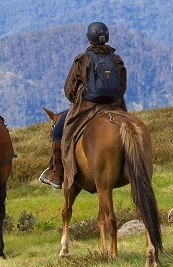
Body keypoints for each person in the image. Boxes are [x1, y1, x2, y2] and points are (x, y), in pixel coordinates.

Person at [40, 21, 127, 188]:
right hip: (115, 107)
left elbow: (69, 90)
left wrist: (80, 98)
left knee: (58, 132)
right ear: (106, 38)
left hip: (87, 108)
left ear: (89, 40)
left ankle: (58, 175)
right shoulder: (117, 60)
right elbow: (122, 88)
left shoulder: (82, 60)